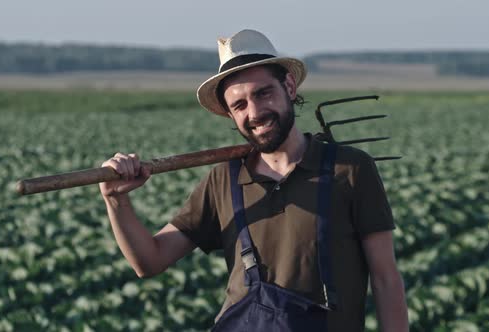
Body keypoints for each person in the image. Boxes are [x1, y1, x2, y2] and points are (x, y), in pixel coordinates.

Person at [99, 29, 408, 331]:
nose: (255, 112)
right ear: (230, 115)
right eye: (240, 105)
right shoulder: (224, 179)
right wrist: (116, 200)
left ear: (288, 87)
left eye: (263, 94)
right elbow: (149, 261)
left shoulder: (350, 170)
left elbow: (386, 280)